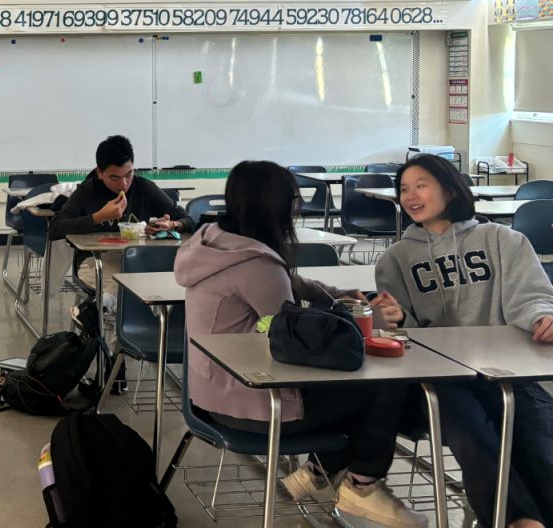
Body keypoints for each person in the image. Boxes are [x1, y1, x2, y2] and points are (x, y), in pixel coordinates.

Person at [176, 160, 424, 528]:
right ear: (274, 206)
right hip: (253, 403)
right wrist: (364, 317)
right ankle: (362, 486)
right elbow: (301, 339)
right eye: (292, 201)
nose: (296, 209)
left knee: (351, 381)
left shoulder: (215, 241)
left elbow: (291, 283)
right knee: (382, 382)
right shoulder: (257, 264)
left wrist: (342, 297)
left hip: (211, 390)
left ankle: (320, 470)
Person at [376, 154, 553, 528]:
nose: (411, 196)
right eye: (404, 189)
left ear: (450, 188)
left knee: (537, 435)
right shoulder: (395, 259)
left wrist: (543, 316)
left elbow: (531, 296)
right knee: (470, 430)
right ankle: (518, 521)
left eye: (421, 185)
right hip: (439, 380)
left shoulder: (502, 240)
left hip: (505, 371)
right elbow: (399, 333)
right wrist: (391, 319)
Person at [48, 135, 193, 306]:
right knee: (131, 284)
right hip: (94, 260)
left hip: (137, 257)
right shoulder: (87, 191)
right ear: (100, 173)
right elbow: (55, 229)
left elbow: (188, 219)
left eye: (129, 174)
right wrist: (99, 216)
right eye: (114, 178)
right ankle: (109, 313)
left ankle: (100, 311)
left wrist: (173, 224)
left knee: (155, 278)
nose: (124, 184)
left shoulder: (143, 188)